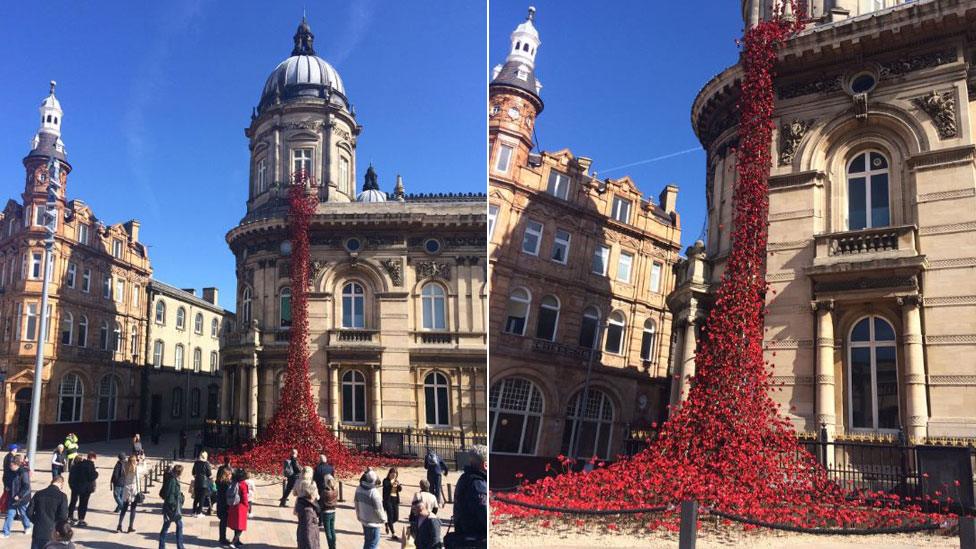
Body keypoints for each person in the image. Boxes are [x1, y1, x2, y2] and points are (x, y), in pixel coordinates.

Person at [449, 445, 487, 547]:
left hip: (464, 536)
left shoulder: (464, 478)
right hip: (475, 540)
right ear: (485, 465)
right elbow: (484, 513)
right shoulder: (478, 483)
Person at [27, 475, 68, 549]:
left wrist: (36, 521)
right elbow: (63, 516)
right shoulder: (62, 496)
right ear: (61, 484)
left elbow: (29, 512)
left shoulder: (38, 494)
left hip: (38, 531)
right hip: (53, 532)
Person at [354, 468, 387, 549]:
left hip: (363, 520)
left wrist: (358, 516)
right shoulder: (374, 493)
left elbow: (356, 503)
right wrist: (384, 519)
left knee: (368, 542)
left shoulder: (358, 488)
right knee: (373, 544)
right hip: (373, 523)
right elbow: (379, 509)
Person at [2, 454, 32, 538]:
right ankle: (6, 532)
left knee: (23, 513)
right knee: (10, 514)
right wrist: (6, 486)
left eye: (11, 465)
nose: (10, 466)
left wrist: (19, 495)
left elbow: (26, 486)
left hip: (22, 497)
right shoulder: (9, 471)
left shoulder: (24, 472)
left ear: (17, 465)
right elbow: (5, 478)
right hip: (12, 495)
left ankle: (27, 527)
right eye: (10, 465)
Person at [67, 453, 97, 527]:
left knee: (73, 502)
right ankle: (81, 519)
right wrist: (96, 473)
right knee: (83, 504)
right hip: (86, 488)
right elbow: (92, 477)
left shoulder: (74, 467)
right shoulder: (88, 465)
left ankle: (69, 517)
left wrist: (72, 486)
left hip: (75, 487)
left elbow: (71, 478)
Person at [159, 464, 185, 549]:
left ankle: (178, 546)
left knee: (176, 526)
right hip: (172, 509)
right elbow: (170, 496)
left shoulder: (173, 478)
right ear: (179, 472)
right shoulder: (172, 480)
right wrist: (176, 504)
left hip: (171, 508)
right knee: (168, 527)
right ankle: (177, 546)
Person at [116, 455, 141, 533]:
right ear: (134, 461)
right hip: (134, 489)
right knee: (133, 508)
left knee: (124, 508)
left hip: (126, 488)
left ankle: (119, 525)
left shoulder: (125, 467)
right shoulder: (136, 469)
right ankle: (130, 526)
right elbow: (143, 473)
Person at [227, 468, 250, 548]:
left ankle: (237, 541)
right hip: (241, 508)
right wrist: (247, 506)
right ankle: (233, 542)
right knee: (240, 526)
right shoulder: (243, 484)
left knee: (236, 525)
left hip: (233, 505)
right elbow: (244, 497)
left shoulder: (234, 482)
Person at [294, 480, 320, 549]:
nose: (316, 495)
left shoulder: (303, 503)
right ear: (311, 495)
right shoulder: (308, 511)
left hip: (304, 536)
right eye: (315, 494)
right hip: (309, 541)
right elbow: (308, 531)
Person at [382, 467, 402, 541]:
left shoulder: (396, 481)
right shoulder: (385, 481)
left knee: (396, 518)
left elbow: (399, 490)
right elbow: (387, 487)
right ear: (389, 474)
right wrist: (392, 483)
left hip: (395, 500)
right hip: (388, 501)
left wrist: (399, 485)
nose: (394, 475)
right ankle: (393, 533)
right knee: (390, 516)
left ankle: (387, 524)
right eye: (392, 473)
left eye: (395, 474)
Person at [214, 466, 232, 547]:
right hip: (224, 505)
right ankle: (222, 539)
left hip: (220, 504)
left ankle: (222, 537)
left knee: (222, 522)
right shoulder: (226, 484)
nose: (231, 475)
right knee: (223, 523)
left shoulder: (219, 482)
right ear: (226, 474)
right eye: (230, 474)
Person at [191, 451, 213, 516]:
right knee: (202, 498)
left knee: (196, 498)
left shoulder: (196, 463)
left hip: (197, 482)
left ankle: (194, 511)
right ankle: (199, 512)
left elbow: (193, 473)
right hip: (204, 483)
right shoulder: (206, 464)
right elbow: (209, 474)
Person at [320, 475, 337, 549]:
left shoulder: (325, 492)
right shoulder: (335, 490)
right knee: (332, 529)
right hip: (333, 511)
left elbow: (321, 502)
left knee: (328, 531)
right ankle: (334, 545)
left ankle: (331, 546)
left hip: (326, 512)